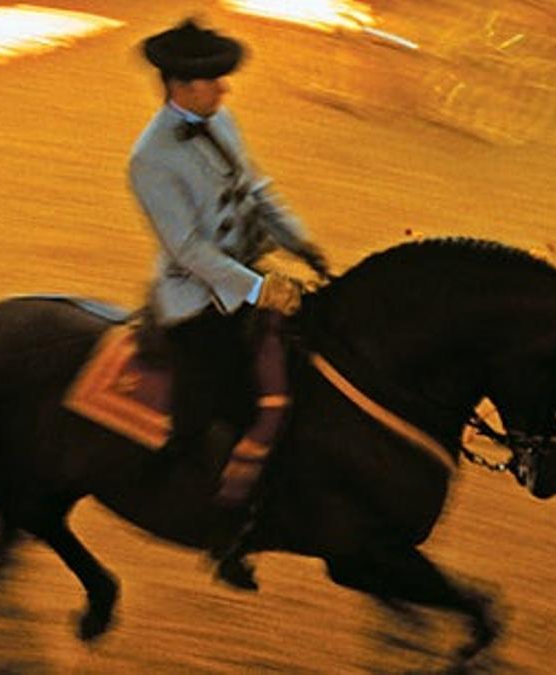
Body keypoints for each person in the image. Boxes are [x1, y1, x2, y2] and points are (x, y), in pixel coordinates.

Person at [129, 18, 328, 590]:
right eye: (213, 81)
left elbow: (256, 191)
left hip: (246, 271)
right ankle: (222, 530)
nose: (225, 89)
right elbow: (188, 250)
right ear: (179, 87)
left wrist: (300, 242)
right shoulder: (148, 159)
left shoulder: (222, 120)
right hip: (199, 301)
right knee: (220, 408)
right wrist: (260, 289)